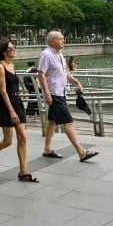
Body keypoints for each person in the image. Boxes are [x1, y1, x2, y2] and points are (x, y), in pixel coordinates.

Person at [0, 40, 37, 182]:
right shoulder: (0, 67)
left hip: (17, 102)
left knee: (22, 137)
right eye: (12, 48)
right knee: (7, 141)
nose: (14, 49)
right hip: (6, 105)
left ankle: (23, 171)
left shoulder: (12, 65)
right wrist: (11, 111)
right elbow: (3, 92)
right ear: (5, 51)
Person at [37, 31, 98, 162]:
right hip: (54, 94)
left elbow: (64, 72)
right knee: (68, 123)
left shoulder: (60, 55)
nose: (64, 41)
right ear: (52, 40)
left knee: (52, 122)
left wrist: (76, 82)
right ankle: (82, 152)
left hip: (61, 92)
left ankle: (47, 149)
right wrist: (47, 94)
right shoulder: (46, 55)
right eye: (61, 39)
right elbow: (41, 74)